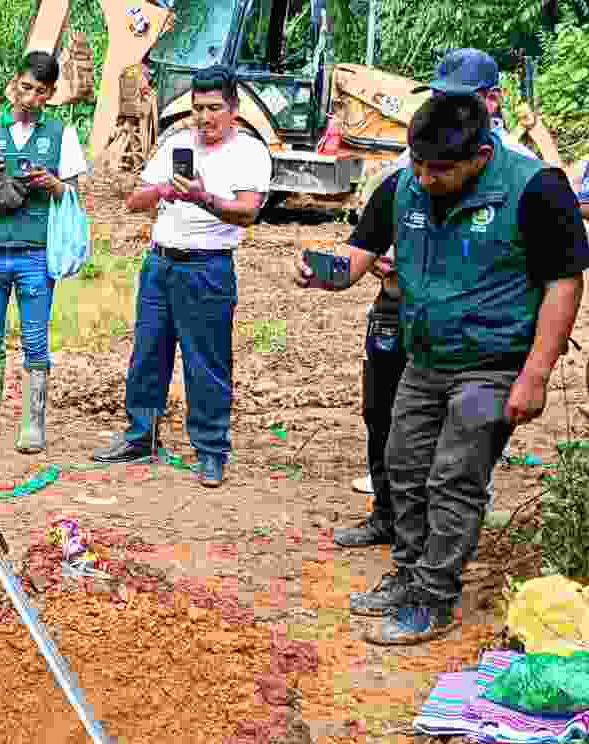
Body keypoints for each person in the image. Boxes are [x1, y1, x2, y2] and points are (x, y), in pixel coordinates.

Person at [296, 93, 587, 645]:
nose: (426, 178)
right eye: (419, 164)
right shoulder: (404, 184)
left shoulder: (535, 188)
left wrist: (536, 374)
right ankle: (408, 574)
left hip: (495, 364)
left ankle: (434, 597)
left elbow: (564, 283)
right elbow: (357, 258)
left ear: (481, 154)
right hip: (425, 360)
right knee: (402, 466)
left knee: (454, 478)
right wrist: (322, 272)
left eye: (440, 169)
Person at [342, 48, 539, 519]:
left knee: (456, 464)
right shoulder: (411, 168)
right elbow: (366, 243)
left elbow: (557, 275)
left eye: (458, 98)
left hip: (482, 344)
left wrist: (536, 369)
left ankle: (441, 554)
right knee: (388, 425)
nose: (427, 175)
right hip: (408, 317)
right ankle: (391, 522)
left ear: (492, 100)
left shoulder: (524, 176)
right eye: (436, 97)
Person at [90, 65, 271, 488]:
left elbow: (248, 212)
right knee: (148, 353)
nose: (204, 118)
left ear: (234, 109)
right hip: (160, 263)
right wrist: (164, 192)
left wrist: (203, 197)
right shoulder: (175, 143)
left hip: (207, 267)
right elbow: (135, 199)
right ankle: (141, 436)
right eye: (197, 109)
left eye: (214, 109)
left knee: (205, 362)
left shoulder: (249, 151)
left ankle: (210, 450)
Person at [0, 50, 90, 453]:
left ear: (50, 95)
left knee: (34, 337)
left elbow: (75, 193)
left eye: (40, 93)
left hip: (34, 252)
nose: (30, 99)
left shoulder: (60, 134)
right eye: (25, 88)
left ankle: (33, 422)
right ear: (15, 83)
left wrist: (52, 183)